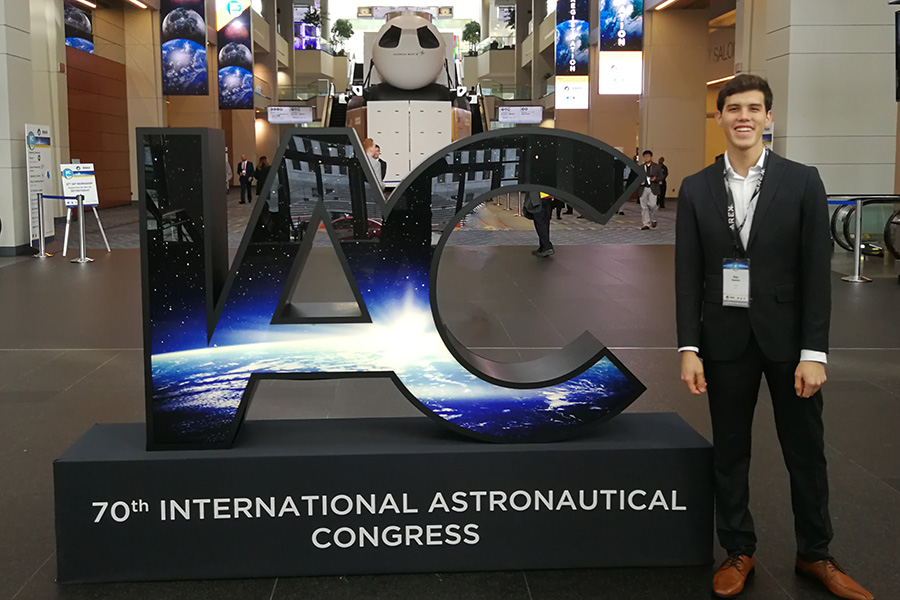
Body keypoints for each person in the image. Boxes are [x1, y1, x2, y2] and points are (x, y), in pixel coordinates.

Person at [675, 74, 873, 600]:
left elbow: (815, 275)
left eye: (754, 108)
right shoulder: (696, 188)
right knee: (730, 452)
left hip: (790, 344)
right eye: (734, 108)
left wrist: (815, 352)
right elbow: (687, 275)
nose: (743, 117)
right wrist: (689, 347)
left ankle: (816, 553)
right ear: (720, 116)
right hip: (724, 341)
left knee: (805, 453)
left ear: (768, 117)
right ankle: (738, 549)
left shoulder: (802, 181)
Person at [524, 191, 554, 257]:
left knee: (540, 224)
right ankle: (542, 247)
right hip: (548, 198)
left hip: (538, 198)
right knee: (545, 223)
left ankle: (547, 247)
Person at [638, 150, 662, 229]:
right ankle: (646, 224)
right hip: (643, 188)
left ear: (651, 157)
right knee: (643, 206)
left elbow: (662, 176)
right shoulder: (640, 167)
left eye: (648, 156)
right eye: (644, 157)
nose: (646, 158)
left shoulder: (657, 167)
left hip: (653, 188)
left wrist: (656, 179)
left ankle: (654, 219)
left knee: (653, 205)